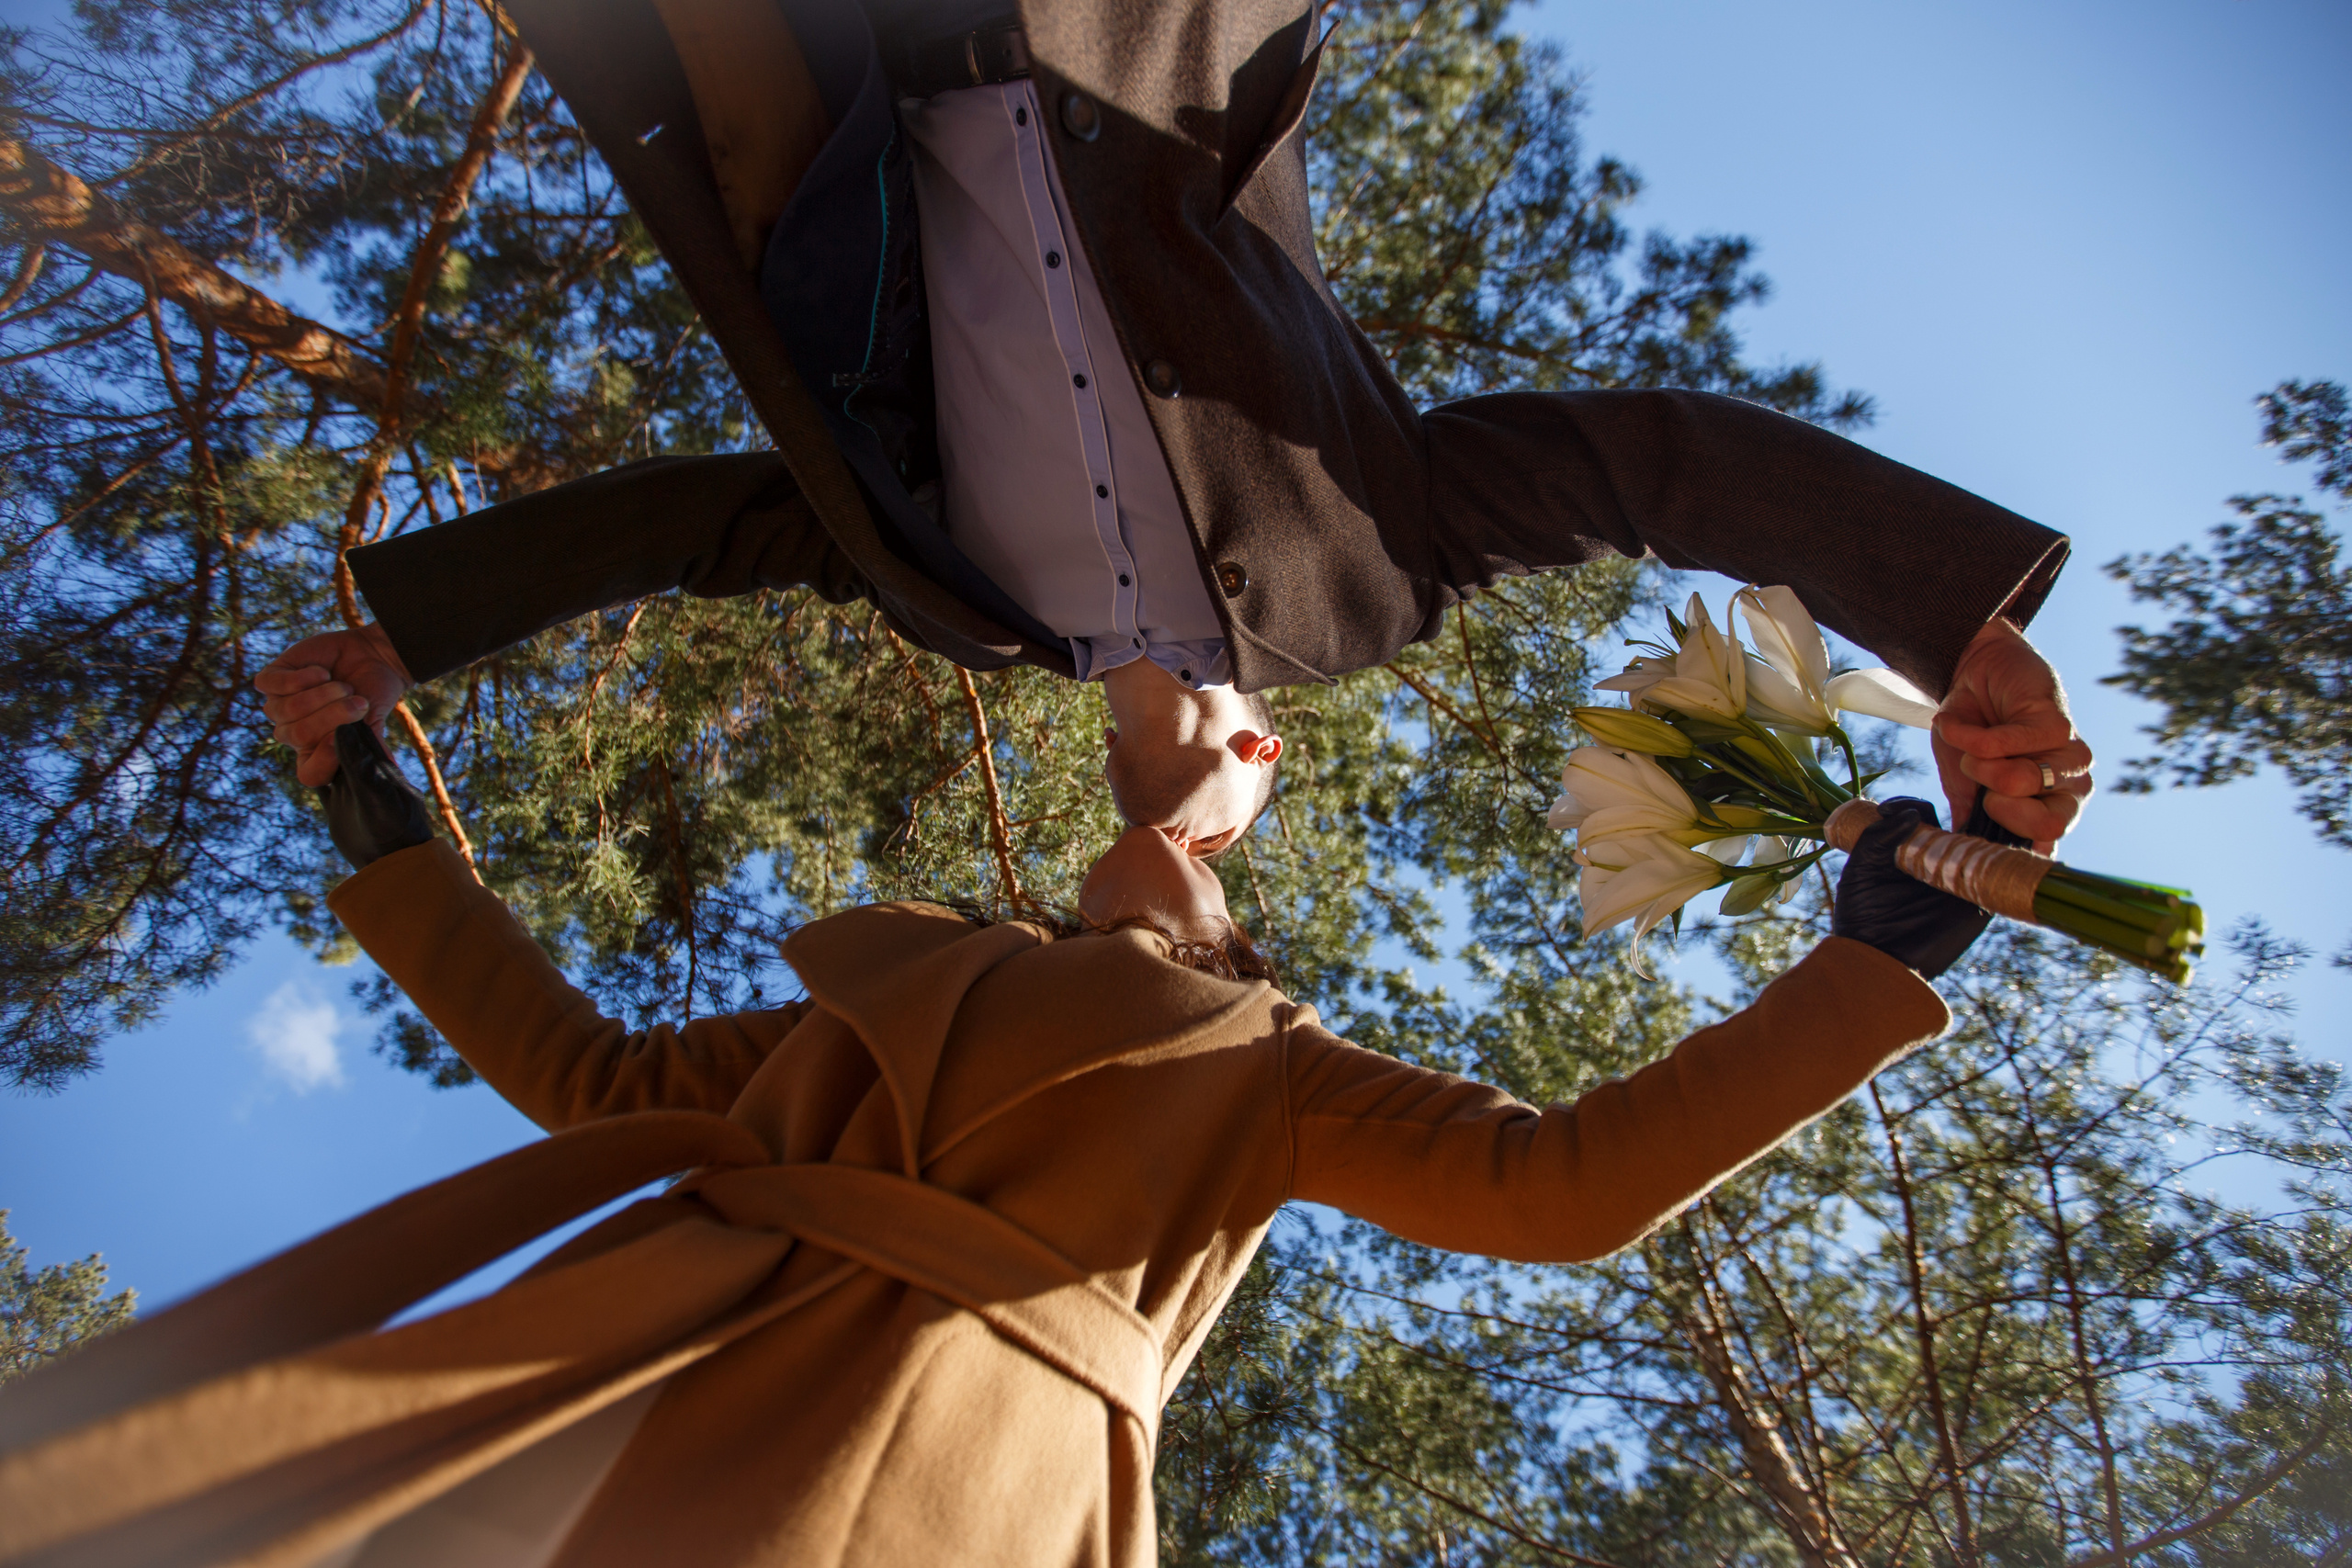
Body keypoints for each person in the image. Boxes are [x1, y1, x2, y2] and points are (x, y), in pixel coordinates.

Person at [0, 726, 1997, 1567]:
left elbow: (1563, 1181)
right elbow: (586, 1072)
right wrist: (373, 809)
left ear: (1230, 904)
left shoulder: (1273, 1055)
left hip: (965, 1445)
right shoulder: (871, 991)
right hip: (643, 1363)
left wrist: (1870, 952)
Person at [255, 0, 2094, 856]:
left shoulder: (960, 602)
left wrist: (415, 631)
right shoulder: (1377, 589)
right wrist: (1951, 621)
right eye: (1216, 852)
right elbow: (1641, 465)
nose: (1178, 847)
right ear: (1264, 769)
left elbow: (700, 527)